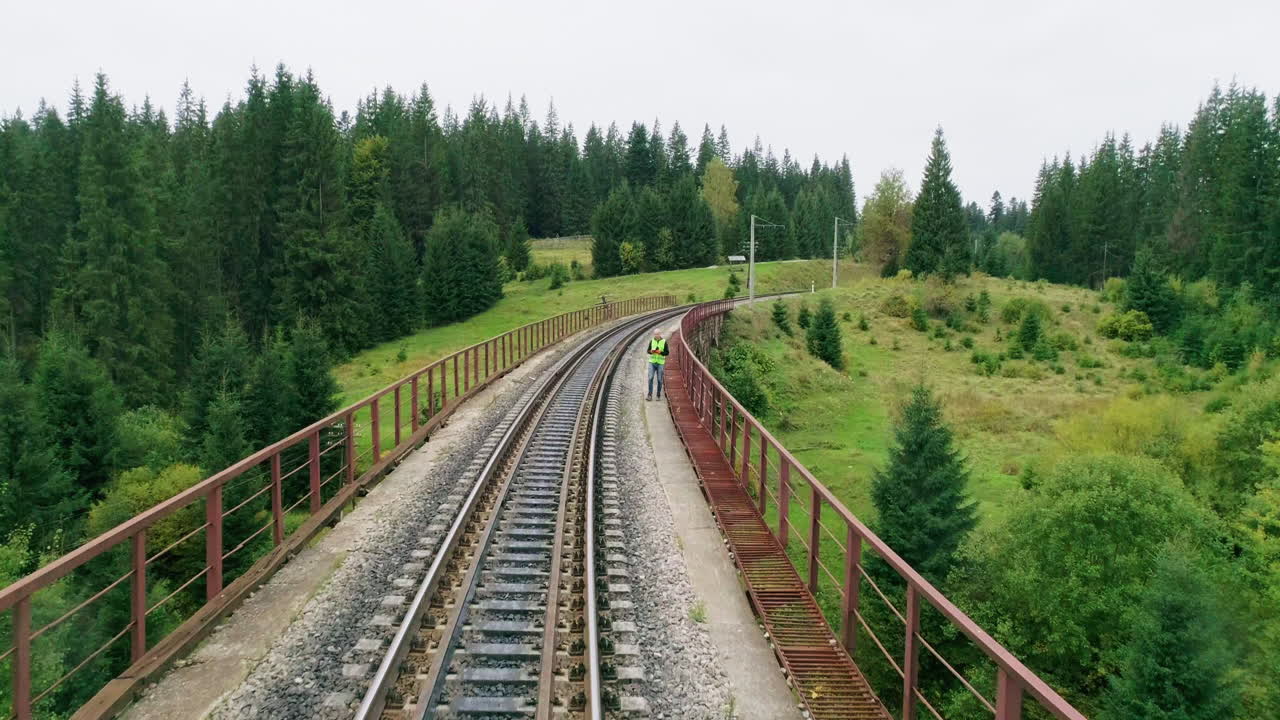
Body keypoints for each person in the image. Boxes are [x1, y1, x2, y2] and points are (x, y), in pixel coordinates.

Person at [646, 329, 668, 400]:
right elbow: (648, 351)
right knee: (650, 378)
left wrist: (660, 352)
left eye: (658, 334)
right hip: (652, 362)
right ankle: (649, 395)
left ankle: (658, 395)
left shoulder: (664, 342)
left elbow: (667, 353)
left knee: (659, 380)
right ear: (654, 334)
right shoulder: (652, 341)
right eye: (655, 334)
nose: (656, 335)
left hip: (660, 363)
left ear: (660, 334)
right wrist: (651, 351)